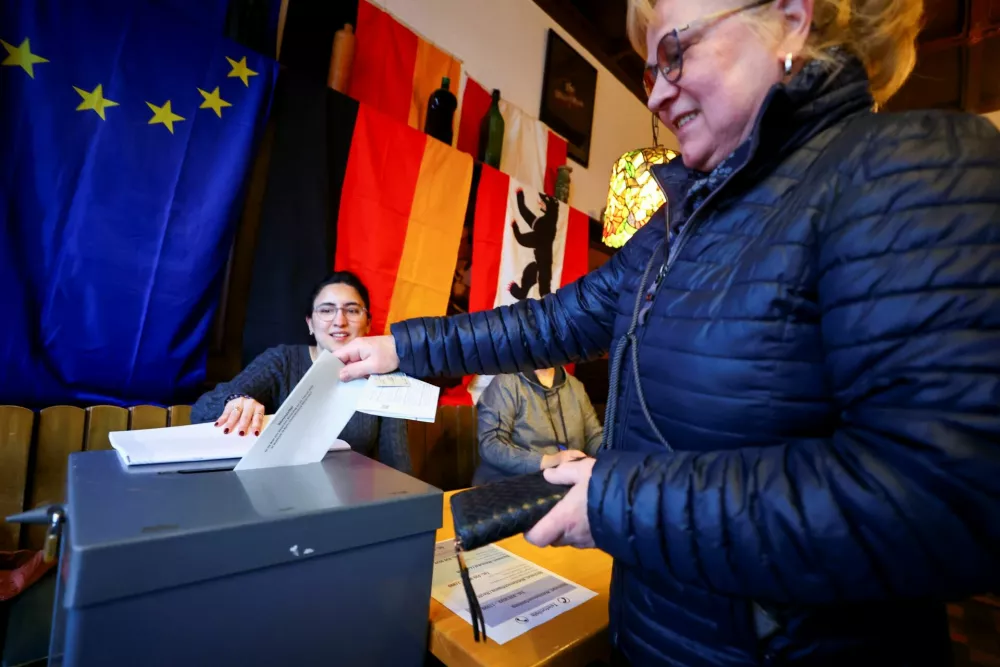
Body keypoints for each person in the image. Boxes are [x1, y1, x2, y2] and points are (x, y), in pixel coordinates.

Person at [334, 0, 1000, 663]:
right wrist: (402, 345)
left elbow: (940, 500)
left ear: (793, 21)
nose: (655, 91)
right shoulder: (677, 223)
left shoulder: (909, 166)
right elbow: (553, 320)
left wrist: (621, 500)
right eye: (650, 70)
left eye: (675, 54)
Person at [191, 271, 411, 474]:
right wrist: (236, 402)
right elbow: (201, 411)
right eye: (326, 310)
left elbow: (398, 466)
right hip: (275, 496)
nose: (339, 321)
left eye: (352, 310)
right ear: (310, 324)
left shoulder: (385, 375)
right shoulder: (282, 361)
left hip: (351, 501)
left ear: (367, 323)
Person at [473, 367, 603, 485]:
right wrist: (550, 460)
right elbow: (491, 445)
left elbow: (594, 437)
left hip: (563, 483)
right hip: (510, 484)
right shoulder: (506, 383)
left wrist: (615, 454)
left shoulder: (576, 386)